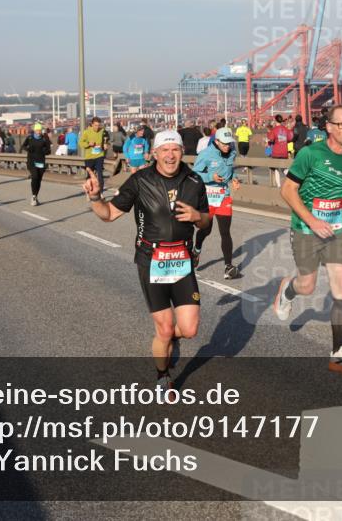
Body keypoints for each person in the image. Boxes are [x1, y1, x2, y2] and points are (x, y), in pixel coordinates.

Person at [82, 130, 210, 393]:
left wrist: (198, 216)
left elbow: (207, 220)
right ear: (155, 154)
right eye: (165, 150)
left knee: (189, 329)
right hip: (151, 261)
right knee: (164, 329)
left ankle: (165, 341)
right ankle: (163, 375)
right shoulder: (140, 181)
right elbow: (108, 214)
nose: (171, 155)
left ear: (181, 152)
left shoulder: (195, 180)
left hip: (182, 261)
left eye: (175, 149)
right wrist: (96, 198)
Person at [273, 104, 342, 374]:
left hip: (337, 229)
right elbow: (288, 191)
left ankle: (337, 353)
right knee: (307, 286)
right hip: (305, 228)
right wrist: (312, 220)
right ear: (329, 127)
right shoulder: (309, 154)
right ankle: (287, 290)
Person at [193, 127, 241, 279]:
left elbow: (230, 170)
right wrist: (210, 177)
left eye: (229, 143)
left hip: (223, 196)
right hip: (207, 196)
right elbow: (195, 173)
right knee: (206, 230)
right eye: (225, 143)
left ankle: (228, 266)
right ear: (217, 141)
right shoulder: (206, 154)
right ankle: (196, 250)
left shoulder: (232, 151)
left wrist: (234, 178)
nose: (228, 146)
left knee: (225, 232)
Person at [21, 122, 52, 206]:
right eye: (37, 130)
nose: (39, 131)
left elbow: (49, 150)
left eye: (40, 130)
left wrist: (45, 151)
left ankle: (35, 196)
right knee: (34, 177)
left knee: (39, 179)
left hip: (41, 161)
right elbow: (23, 146)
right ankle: (34, 197)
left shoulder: (44, 139)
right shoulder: (30, 138)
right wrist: (28, 149)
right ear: (34, 130)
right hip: (31, 161)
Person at [80, 117, 109, 184]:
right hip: (89, 157)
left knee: (100, 173)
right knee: (90, 175)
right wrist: (88, 144)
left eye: (99, 125)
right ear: (92, 124)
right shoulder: (86, 132)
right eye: (95, 125)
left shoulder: (102, 131)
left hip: (99, 155)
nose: (97, 127)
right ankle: (89, 190)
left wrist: (105, 144)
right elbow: (80, 143)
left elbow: (106, 139)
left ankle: (100, 193)